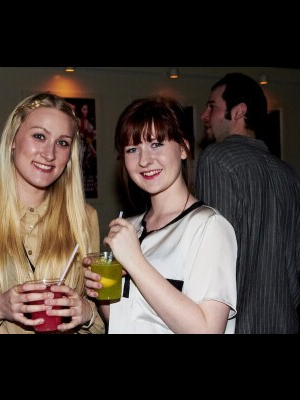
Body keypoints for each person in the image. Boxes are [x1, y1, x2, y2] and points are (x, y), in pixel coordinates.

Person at [0, 92, 105, 334]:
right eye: (39, 136)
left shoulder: (84, 218)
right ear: (13, 139)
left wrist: (86, 314)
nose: (50, 154)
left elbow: (97, 323)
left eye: (62, 143)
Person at [85, 96, 237, 334]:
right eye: (133, 149)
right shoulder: (131, 227)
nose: (144, 160)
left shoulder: (209, 227)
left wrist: (135, 262)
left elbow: (207, 330)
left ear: (183, 148)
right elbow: (127, 321)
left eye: (156, 144)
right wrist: (100, 294)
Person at [195, 72, 300, 334]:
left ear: (239, 111)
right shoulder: (288, 174)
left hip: (236, 324)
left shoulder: (216, 159)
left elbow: (215, 259)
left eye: (212, 106)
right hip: (286, 322)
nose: (204, 116)